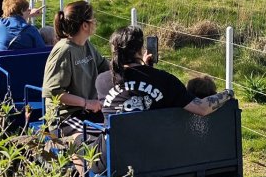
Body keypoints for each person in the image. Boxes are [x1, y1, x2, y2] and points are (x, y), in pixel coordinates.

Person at [94, 26, 232, 117]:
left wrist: (146, 69)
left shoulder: (102, 81)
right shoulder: (164, 80)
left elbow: (134, 87)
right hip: (153, 150)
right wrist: (228, 93)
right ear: (140, 49)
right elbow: (202, 108)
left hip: (113, 150)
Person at [42, 1, 110, 135]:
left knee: (120, 128)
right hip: (66, 118)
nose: (95, 22)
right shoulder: (63, 51)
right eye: (93, 19)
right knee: (106, 135)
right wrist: (86, 103)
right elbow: (53, 91)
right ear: (85, 25)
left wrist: (135, 67)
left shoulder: (87, 45)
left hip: (89, 111)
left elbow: (106, 67)